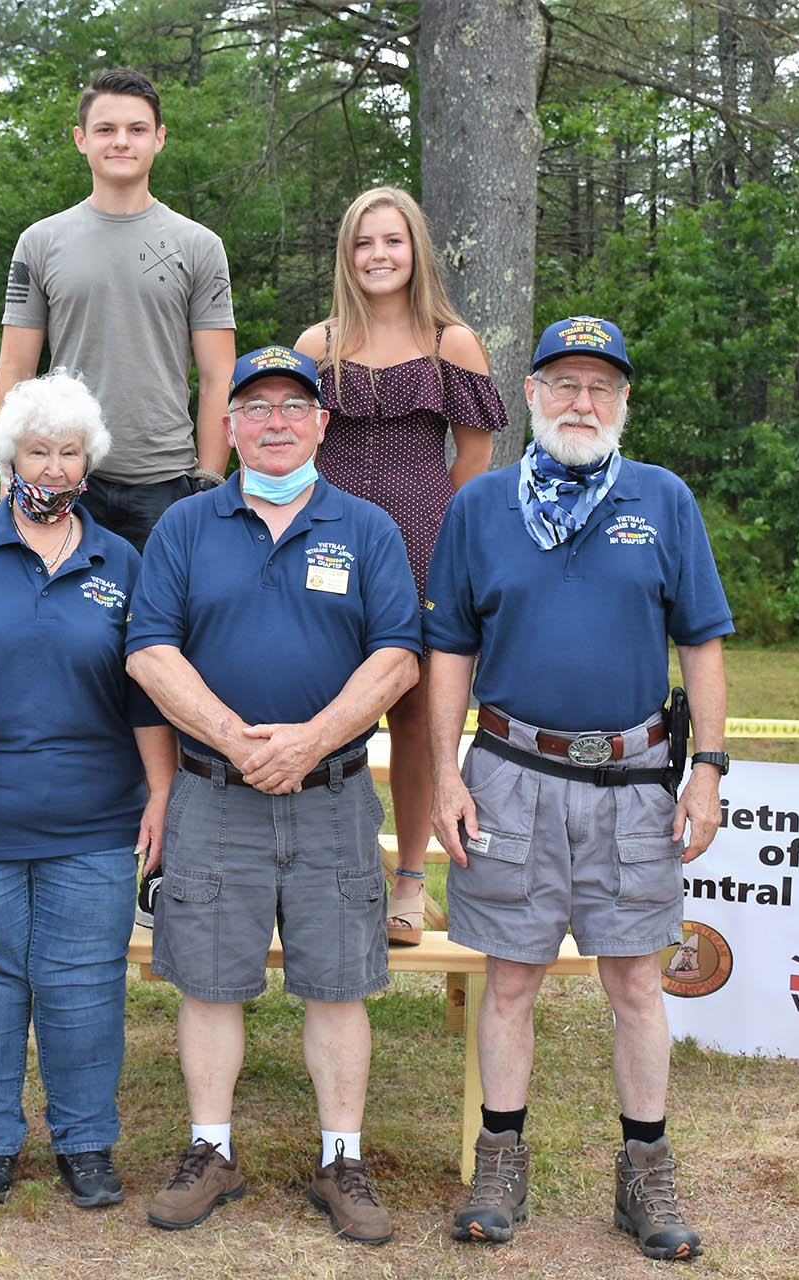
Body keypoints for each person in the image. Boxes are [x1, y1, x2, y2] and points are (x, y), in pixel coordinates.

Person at [424, 316, 732, 1262]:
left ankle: (644, 1174)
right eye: (563, 384)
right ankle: (500, 1162)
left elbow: (703, 640)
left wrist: (709, 769)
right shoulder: (480, 507)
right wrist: (443, 772)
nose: (582, 403)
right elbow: (449, 649)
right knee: (508, 980)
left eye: (602, 387)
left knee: (637, 981)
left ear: (626, 401)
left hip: (635, 781)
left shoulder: (663, 499)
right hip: (510, 775)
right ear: (530, 396)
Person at [125, 344, 420, 1246]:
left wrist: (310, 741)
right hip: (215, 795)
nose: (276, 422)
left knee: (338, 985)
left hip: (331, 795)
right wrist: (236, 741)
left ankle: (343, 1160)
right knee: (209, 984)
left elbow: (399, 656)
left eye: (295, 406)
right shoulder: (184, 526)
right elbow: (149, 651)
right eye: (256, 407)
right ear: (229, 426)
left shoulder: (366, 527)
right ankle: (210, 1151)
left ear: (324, 423)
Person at [0, 372, 176, 1210]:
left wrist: (160, 792)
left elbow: (143, 692)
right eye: (37, 449)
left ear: (90, 464)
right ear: (7, 456)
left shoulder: (120, 558)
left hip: (94, 817)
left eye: (68, 452)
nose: (52, 467)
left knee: (83, 981)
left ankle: (86, 1143)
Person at [295, 185, 507, 944]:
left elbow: (475, 460)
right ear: (346, 256)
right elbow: (285, 445)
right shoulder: (314, 346)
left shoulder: (453, 343)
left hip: (425, 543)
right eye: (362, 243)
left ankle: (411, 882)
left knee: (418, 718)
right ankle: (324, 869)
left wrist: (444, 542)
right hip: (324, 541)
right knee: (320, 703)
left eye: (392, 241)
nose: (377, 256)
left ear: (415, 250)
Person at [0, 67, 237, 552]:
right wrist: (9, 474)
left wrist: (209, 480)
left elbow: (218, 377)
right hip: (62, 473)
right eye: (106, 129)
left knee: (162, 627)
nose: (121, 141)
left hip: (167, 482)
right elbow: (15, 368)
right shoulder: (39, 242)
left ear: (160, 139)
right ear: (81, 139)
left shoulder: (200, 245)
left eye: (137, 129)